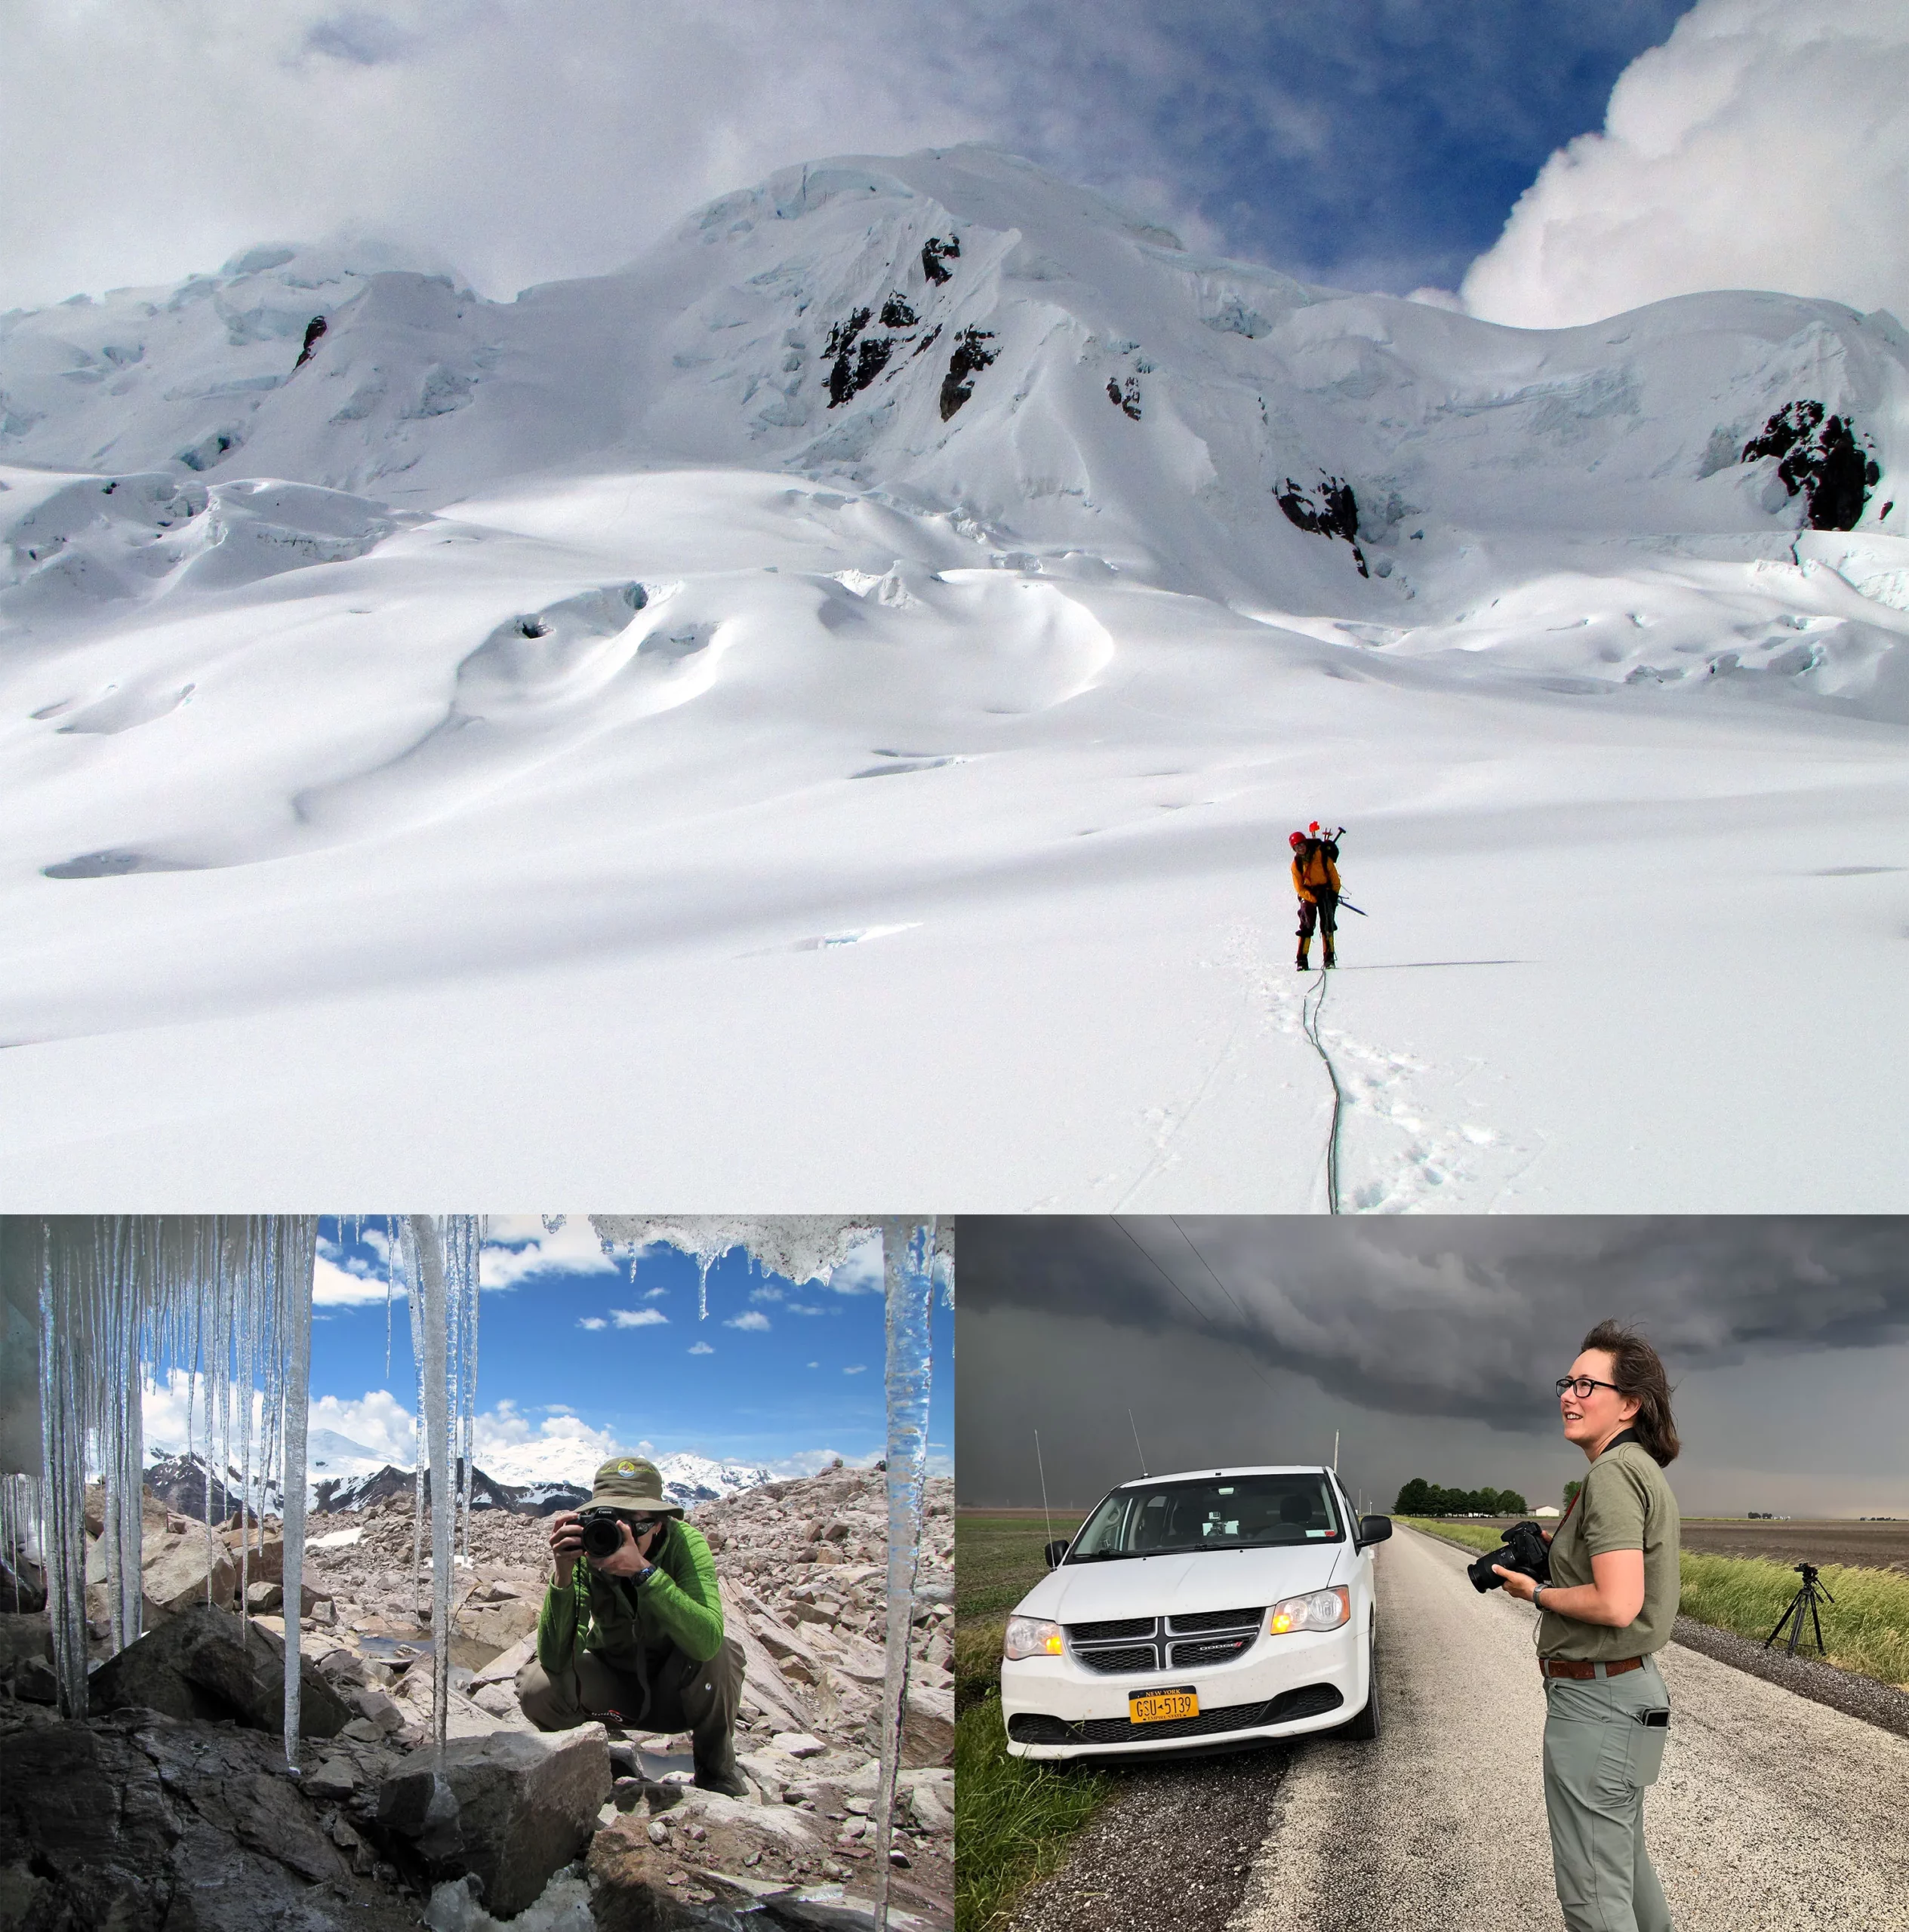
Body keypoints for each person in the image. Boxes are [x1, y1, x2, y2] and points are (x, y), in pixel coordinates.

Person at [1493, 1322, 1683, 1932]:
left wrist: (1538, 1591)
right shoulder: (1636, 1468)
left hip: (1597, 1703)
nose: (1567, 1395)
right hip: (1626, 1697)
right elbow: (1619, 1574)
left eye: (1584, 1384)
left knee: (1592, 1897)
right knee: (1622, 1864)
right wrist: (1556, 1547)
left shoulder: (1612, 1474)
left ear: (1629, 1403)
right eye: (1564, 1383)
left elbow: (1618, 1603)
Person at [516, 1455, 748, 1795]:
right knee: (538, 1684)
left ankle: (716, 1772)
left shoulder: (686, 1543)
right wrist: (563, 1575)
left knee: (723, 1653)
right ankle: (596, 1760)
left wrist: (645, 1573)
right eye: (611, 1518)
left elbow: (707, 1642)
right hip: (615, 1688)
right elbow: (555, 1659)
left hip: (678, 1697)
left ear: (659, 1523)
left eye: (633, 1523)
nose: (619, 1534)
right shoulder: (586, 1548)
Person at [1291, 822, 1342, 970]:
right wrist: (1312, 898)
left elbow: (1334, 876)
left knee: (1328, 925)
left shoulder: (1321, 855)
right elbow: (1299, 887)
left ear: (1306, 843)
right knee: (1306, 926)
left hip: (1326, 893)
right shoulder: (1296, 864)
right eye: (1297, 847)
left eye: (1301, 844)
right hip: (1309, 895)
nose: (1300, 848)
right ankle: (1302, 960)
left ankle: (1329, 959)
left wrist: (1333, 894)